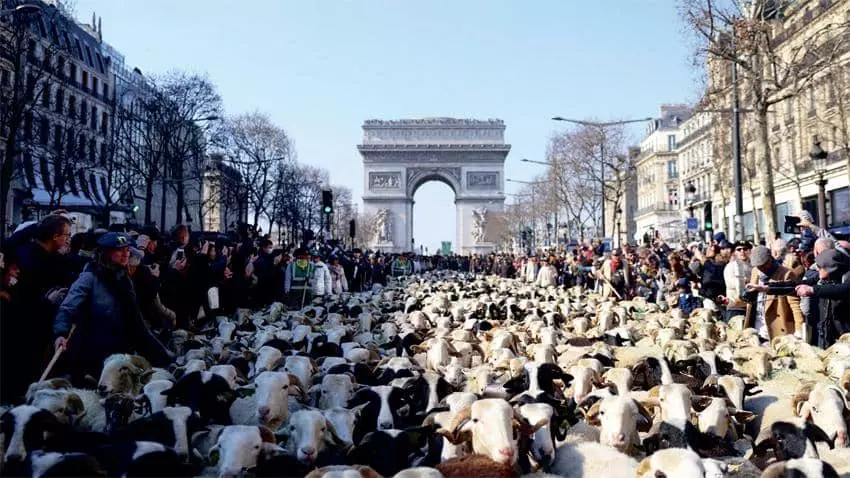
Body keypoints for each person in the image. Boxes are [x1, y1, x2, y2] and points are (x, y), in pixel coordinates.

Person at [52, 233, 173, 383]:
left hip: (119, 353)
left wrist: (162, 355)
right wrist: (61, 333)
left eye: (128, 250)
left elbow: (136, 323)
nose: (125, 254)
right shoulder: (89, 278)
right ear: (107, 253)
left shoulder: (124, 280)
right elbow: (68, 308)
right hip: (92, 352)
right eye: (120, 250)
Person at [743, 245, 806, 343]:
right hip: (756, 329)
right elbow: (752, 299)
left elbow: (795, 305)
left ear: (770, 260)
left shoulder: (786, 274)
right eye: (758, 266)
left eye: (763, 265)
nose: (761, 268)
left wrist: (799, 331)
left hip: (777, 330)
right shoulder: (755, 271)